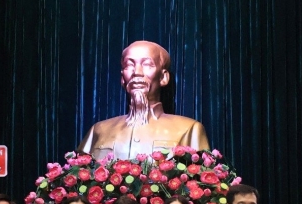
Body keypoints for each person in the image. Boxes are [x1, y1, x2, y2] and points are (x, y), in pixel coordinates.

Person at [77, 40, 210, 160]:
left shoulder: (189, 129)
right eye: (129, 65)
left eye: (147, 64)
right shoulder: (99, 130)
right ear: (122, 78)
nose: (137, 72)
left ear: (163, 77)